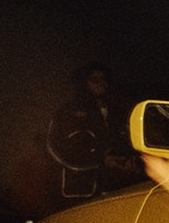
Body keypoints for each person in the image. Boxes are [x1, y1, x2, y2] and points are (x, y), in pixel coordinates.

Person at [45, 63, 134, 205]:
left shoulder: (116, 111)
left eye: (104, 79)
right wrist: (99, 159)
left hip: (114, 189)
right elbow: (54, 147)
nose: (101, 83)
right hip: (79, 192)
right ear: (83, 82)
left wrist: (130, 161)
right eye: (94, 79)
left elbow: (124, 141)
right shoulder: (69, 111)